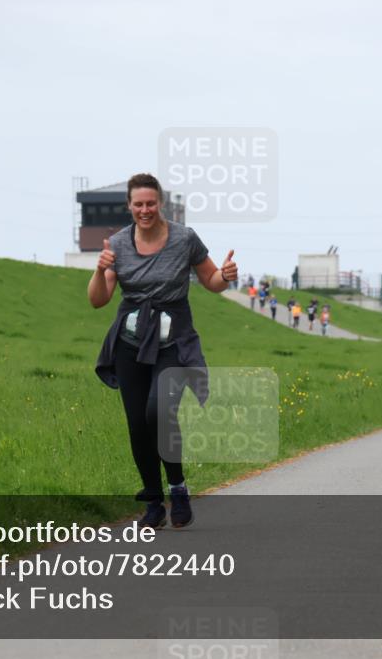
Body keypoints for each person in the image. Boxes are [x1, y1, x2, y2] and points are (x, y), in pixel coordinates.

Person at [91, 173, 238, 529]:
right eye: (138, 204)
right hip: (130, 344)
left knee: (159, 410)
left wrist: (227, 274)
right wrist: (99, 270)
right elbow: (99, 300)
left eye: (151, 203)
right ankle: (154, 502)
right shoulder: (119, 245)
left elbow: (211, 280)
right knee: (138, 425)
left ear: (161, 204)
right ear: (129, 206)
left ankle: (178, 486)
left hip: (174, 342)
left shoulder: (184, 239)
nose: (145, 210)